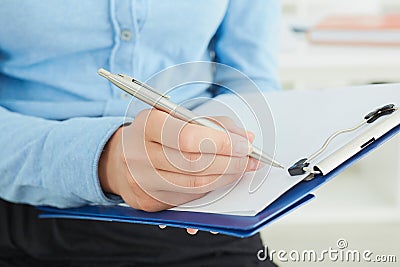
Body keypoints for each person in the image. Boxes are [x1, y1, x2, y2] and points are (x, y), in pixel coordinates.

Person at [0, 0, 280, 266]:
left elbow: (250, 80)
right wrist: (105, 162)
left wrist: (221, 151)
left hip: (202, 215)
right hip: (24, 212)